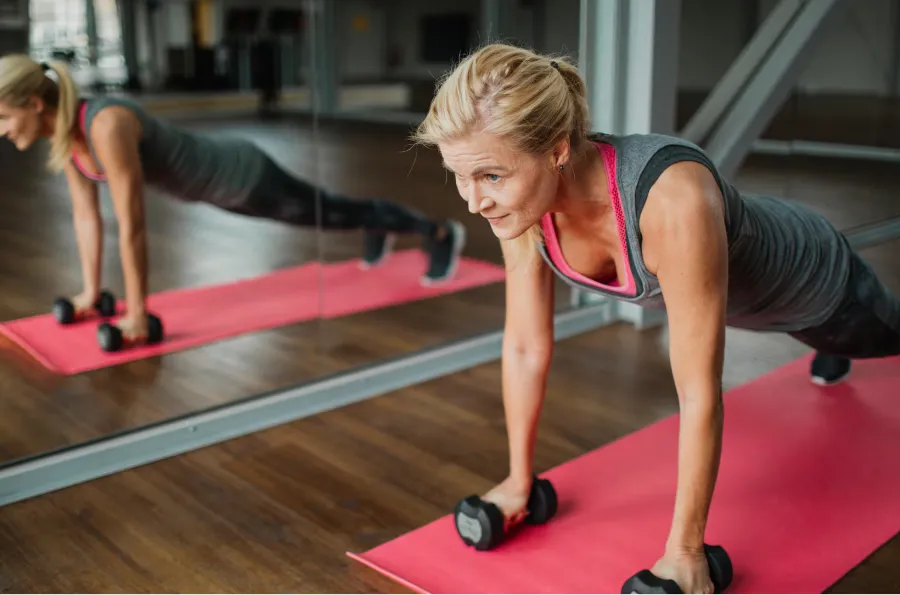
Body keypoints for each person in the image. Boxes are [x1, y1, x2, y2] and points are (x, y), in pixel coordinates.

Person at [412, 43, 900, 593]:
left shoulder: (672, 200)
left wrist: (686, 553)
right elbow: (525, 346)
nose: (474, 201)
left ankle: (835, 342)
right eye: (460, 176)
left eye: (490, 177)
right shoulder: (520, 211)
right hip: (738, 303)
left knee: (882, 337)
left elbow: (697, 392)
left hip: (815, 284)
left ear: (556, 150)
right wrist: (517, 483)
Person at [0, 54, 465, 343]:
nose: (2, 130)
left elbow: (132, 222)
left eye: (3, 117)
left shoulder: (106, 124)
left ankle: (439, 232)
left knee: (333, 212)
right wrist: (88, 293)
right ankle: (379, 225)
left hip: (243, 176)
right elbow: (86, 218)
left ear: (35, 104)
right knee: (334, 212)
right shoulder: (67, 140)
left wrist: (138, 314)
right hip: (220, 190)